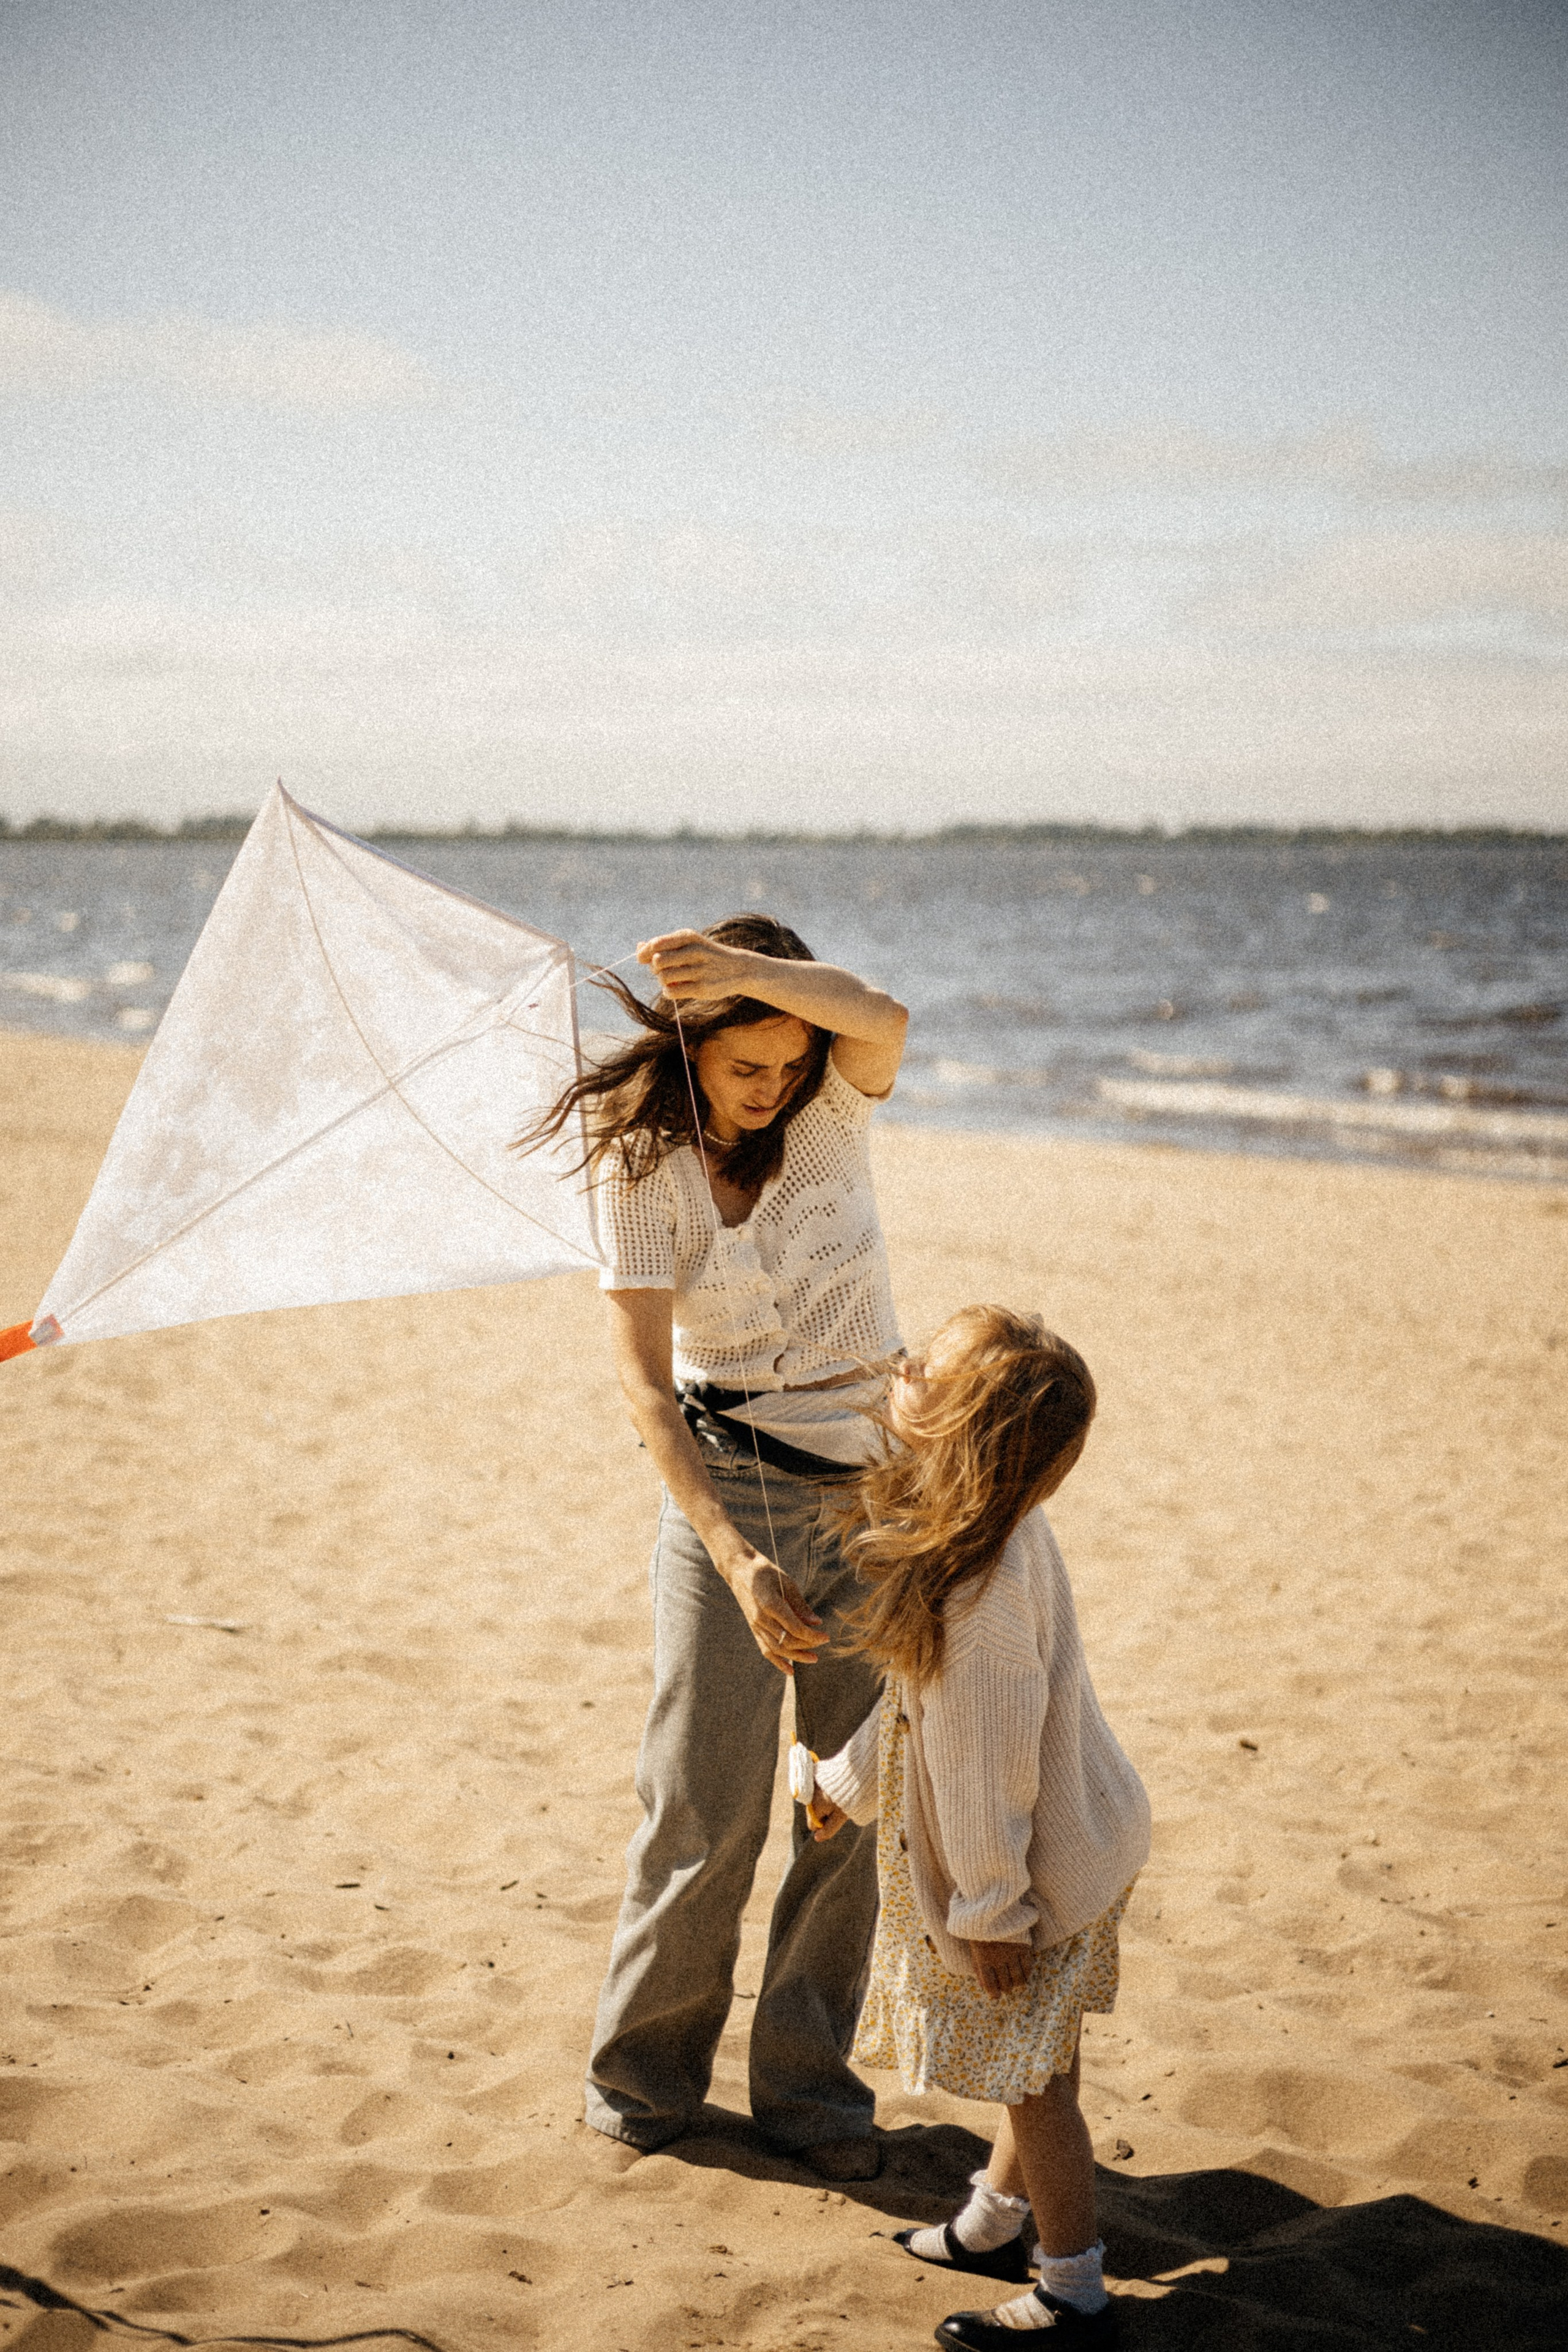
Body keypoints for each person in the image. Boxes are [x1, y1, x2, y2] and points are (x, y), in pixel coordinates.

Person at [524, 913, 909, 2177]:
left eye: (794, 1061)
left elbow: (883, 1017)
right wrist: (733, 1556)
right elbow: (643, 1389)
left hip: (869, 1504)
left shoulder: (835, 1117)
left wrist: (752, 979)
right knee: (700, 1808)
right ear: (693, 1049)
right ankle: (641, 2086)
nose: (778, 1083)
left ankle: (808, 2097)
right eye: (751, 1063)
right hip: (723, 1496)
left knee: (846, 1816)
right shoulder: (639, 1171)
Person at [808, 1306, 1151, 2346]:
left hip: (1043, 1867)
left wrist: (993, 1908)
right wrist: (842, 1781)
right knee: (1036, 2059)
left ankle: (1073, 2291)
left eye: (927, 1371)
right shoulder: (974, 1536)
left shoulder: (985, 1591)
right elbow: (915, 1713)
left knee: (1035, 2082)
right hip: (1081, 1835)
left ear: (965, 1433)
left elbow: (989, 1763)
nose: (901, 1367)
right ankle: (994, 2221)